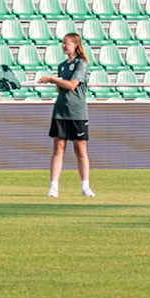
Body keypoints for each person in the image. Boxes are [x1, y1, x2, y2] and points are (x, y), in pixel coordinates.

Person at [37, 31, 95, 199]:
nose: (63, 45)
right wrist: (54, 81)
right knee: (58, 148)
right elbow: (61, 88)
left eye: (66, 43)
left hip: (77, 112)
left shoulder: (81, 63)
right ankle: (53, 187)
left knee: (80, 150)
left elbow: (71, 85)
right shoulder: (62, 65)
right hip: (60, 111)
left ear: (75, 44)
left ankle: (85, 187)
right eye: (63, 43)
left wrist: (51, 79)